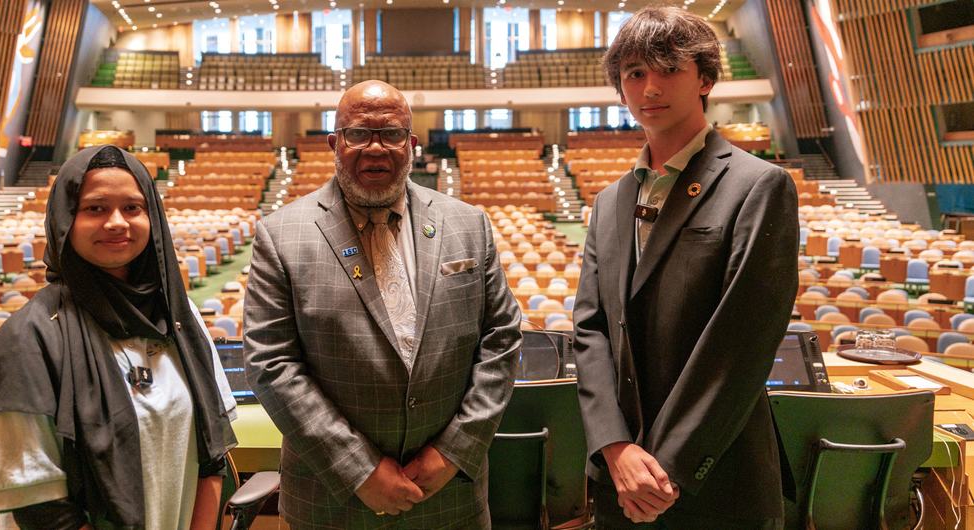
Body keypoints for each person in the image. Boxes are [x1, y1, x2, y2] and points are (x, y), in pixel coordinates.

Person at [244, 80, 522, 528]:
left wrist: (453, 451)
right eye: (358, 133)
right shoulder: (281, 235)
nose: (375, 148)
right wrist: (359, 469)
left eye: (391, 134)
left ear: (411, 144)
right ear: (335, 143)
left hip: (450, 499)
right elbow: (271, 364)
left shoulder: (469, 224)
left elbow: (502, 341)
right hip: (332, 504)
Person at [572, 7, 798, 528]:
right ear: (620, 90)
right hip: (621, 480)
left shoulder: (758, 185)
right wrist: (614, 447)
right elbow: (590, 331)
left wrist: (665, 468)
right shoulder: (609, 201)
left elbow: (742, 339)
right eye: (634, 73)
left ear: (706, 78)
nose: (650, 86)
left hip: (714, 476)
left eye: (669, 68)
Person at [0, 145, 238, 530]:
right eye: (95, 208)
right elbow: (39, 506)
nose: (117, 222)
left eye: (133, 208)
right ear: (65, 221)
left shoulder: (182, 321)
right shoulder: (27, 339)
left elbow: (211, 458)